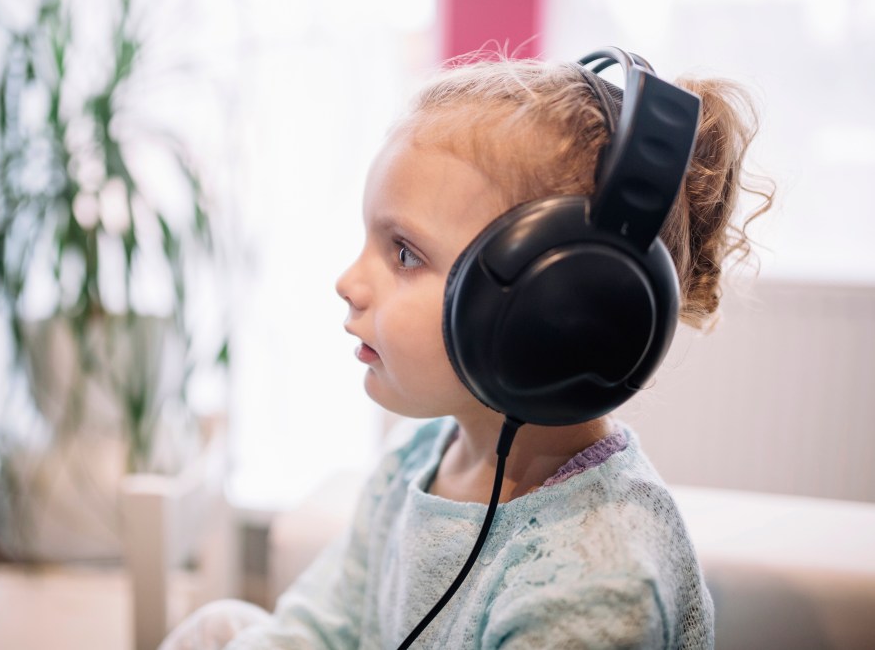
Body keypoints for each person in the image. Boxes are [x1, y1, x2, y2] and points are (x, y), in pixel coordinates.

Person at [160, 50, 773, 649]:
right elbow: (327, 623)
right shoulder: (421, 457)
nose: (348, 282)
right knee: (220, 627)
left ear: (555, 303)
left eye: (404, 253)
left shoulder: (594, 586)